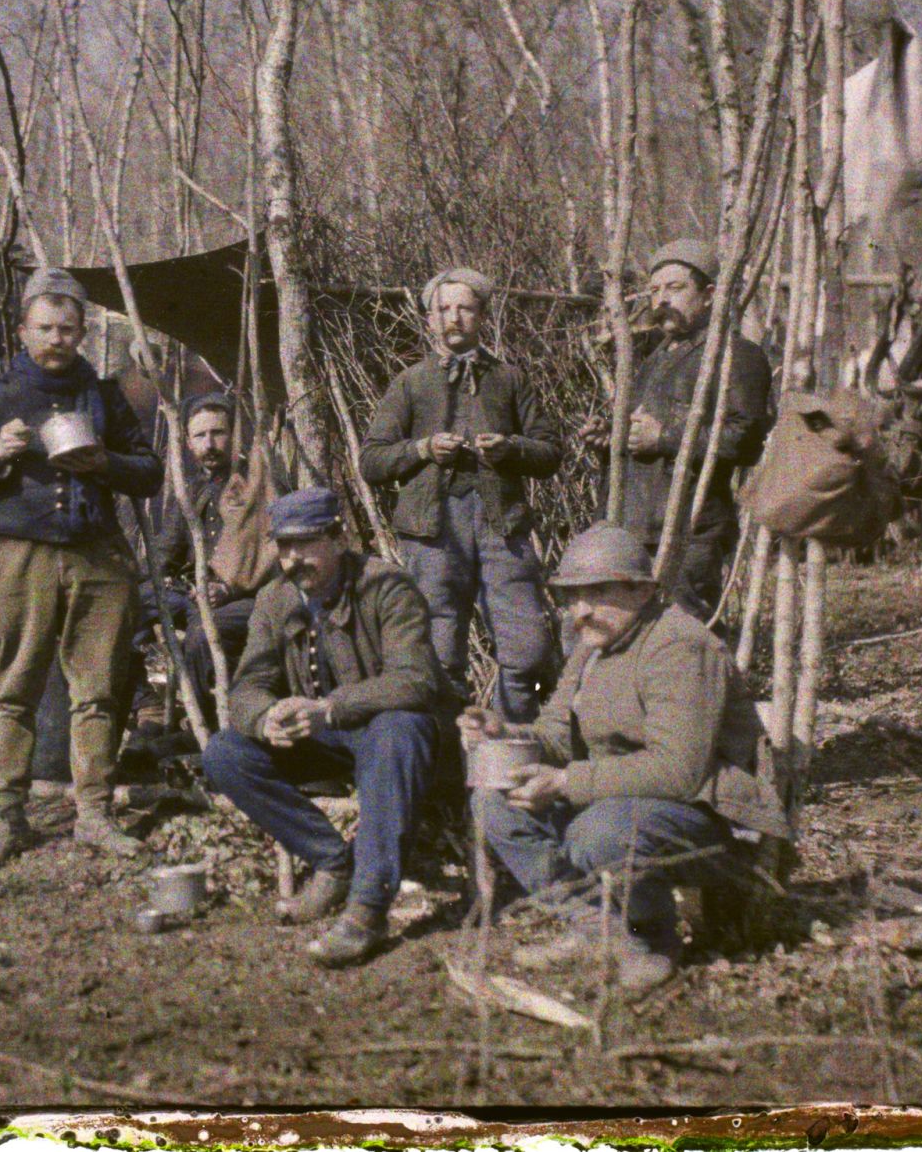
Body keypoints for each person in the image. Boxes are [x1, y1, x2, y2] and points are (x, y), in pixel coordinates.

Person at [467, 523, 791, 992]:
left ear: (641, 592)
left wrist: (564, 783)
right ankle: (598, 932)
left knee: (599, 831)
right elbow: (557, 734)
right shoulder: (592, 648)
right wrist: (504, 733)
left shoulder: (679, 646)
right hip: (619, 801)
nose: (581, 612)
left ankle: (654, 939)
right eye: (573, 597)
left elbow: (679, 771)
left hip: (706, 820)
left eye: (598, 594)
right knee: (494, 802)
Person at [0, 266, 165, 867]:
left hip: (96, 555)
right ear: (22, 331)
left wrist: (103, 464)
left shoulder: (105, 393)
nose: (56, 340)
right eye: (45, 328)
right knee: (14, 687)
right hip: (18, 556)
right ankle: (6, 818)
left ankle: (94, 815)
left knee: (97, 690)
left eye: (68, 329)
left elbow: (149, 473)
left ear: (84, 333)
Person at [201, 487, 444, 969]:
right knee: (225, 753)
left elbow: (416, 680)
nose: (293, 559)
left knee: (397, 726)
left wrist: (328, 709)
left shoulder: (386, 586)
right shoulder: (274, 599)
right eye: (283, 546)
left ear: (339, 537)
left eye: (306, 544)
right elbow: (247, 687)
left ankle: (368, 908)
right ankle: (333, 861)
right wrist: (266, 716)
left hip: (394, 739)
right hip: (327, 737)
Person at [360, 267, 562, 721]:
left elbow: (550, 452)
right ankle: (451, 755)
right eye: (444, 309)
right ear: (429, 320)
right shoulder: (410, 383)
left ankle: (511, 745)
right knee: (439, 652)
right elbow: (372, 461)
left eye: (465, 308)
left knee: (527, 648)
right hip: (431, 534)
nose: (454, 317)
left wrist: (511, 448)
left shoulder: (510, 379)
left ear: (482, 316)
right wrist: (423, 449)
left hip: (502, 529)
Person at [581, 239, 774, 620]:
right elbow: (640, 432)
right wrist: (611, 439)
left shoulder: (738, 356)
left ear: (709, 295)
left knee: (686, 634)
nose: (661, 300)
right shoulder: (653, 359)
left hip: (690, 529)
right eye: (654, 290)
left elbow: (745, 441)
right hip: (633, 526)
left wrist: (664, 437)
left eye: (674, 288)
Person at [154, 393, 267, 731]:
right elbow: (166, 553)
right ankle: (146, 706)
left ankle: (210, 726)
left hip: (246, 597)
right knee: (118, 610)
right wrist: (152, 584)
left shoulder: (259, 483)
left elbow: (275, 558)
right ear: (188, 443)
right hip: (191, 593)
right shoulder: (190, 491)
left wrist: (230, 589)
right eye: (200, 436)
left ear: (235, 436)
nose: (210, 443)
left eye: (218, 433)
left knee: (204, 635)